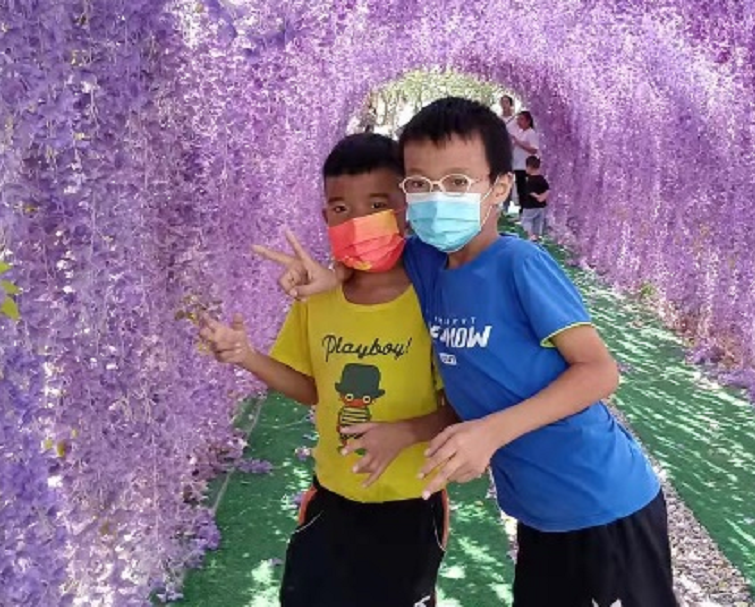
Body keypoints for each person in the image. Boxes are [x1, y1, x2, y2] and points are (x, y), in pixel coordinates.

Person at [273, 99, 678, 607]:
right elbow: (372, 259)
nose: (437, 198)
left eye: (458, 182)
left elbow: (599, 372)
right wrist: (330, 275)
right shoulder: (428, 266)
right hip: (538, 513)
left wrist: (490, 432)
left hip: (602, 501)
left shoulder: (518, 263)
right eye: (420, 184)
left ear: (500, 187)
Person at [203, 133, 456, 607]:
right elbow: (312, 389)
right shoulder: (317, 297)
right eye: (341, 208)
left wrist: (404, 433)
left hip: (411, 502)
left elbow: (463, 407)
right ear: (325, 218)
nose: (358, 221)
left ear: (406, 208)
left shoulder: (435, 296)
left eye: (377, 205)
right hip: (331, 497)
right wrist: (246, 355)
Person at [509, 110, 540, 213]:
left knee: (526, 190)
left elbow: (534, 149)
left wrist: (519, 143)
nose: (519, 122)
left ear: (528, 121)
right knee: (520, 190)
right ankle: (522, 210)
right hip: (518, 165)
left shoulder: (531, 133)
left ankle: (528, 210)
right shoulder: (520, 132)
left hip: (526, 166)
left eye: (521, 119)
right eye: (518, 119)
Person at [518, 155, 549, 241]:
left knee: (526, 220)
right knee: (538, 221)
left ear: (529, 167)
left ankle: (530, 235)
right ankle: (537, 236)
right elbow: (548, 189)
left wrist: (538, 197)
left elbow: (530, 191)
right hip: (541, 206)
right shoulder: (542, 179)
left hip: (530, 206)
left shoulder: (530, 180)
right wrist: (543, 196)